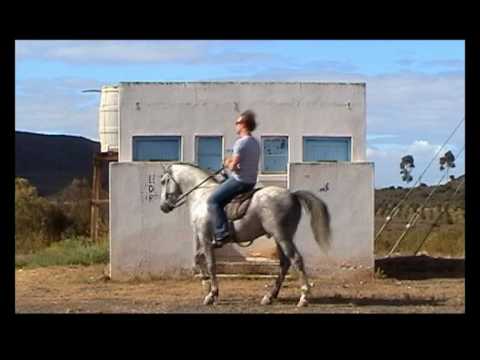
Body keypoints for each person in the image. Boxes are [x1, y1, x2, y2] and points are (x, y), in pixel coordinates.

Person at [207, 110, 260, 248]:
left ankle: (221, 233)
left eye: (237, 123)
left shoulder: (240, 143)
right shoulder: (255, 142)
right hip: (251, 182)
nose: (235, 125)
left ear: (243, 124)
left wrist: (226, 162)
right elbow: (245, 163)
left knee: (213, 201)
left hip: (240, 181)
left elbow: (233, 167)